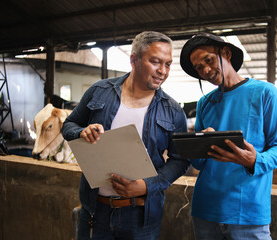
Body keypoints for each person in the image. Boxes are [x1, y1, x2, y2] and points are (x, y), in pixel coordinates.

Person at [62, 31, 190, 240]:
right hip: (96, 212)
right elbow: (69, 124)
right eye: (156, 62)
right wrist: (80, 132)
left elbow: (180, 160)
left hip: (141, 217)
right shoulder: (99, 91)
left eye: (167, 64)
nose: (163, 71)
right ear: (134, 60)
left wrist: (146, 185)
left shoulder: (173, 110)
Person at [180, 33, 277, 239]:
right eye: (198, 67)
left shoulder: (264, 92)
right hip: (206, 208)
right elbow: (199, 164)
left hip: (248, 210)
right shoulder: (205, 103)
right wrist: (198, 143)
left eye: (209, 60)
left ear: (226, 53)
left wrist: (255, 159)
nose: (205, 70)